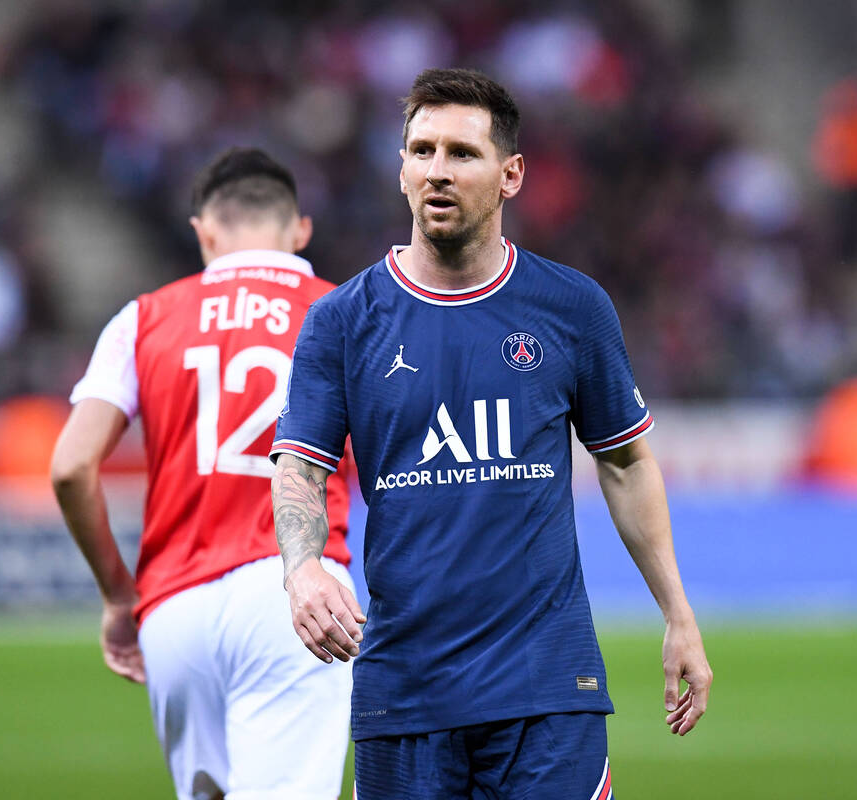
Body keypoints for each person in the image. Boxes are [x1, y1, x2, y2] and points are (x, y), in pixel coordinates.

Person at [270, 68, 712, 798]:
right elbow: (299, 468)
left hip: (548, 690)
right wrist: (302, 570)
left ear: (510, 175)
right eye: (421, 150)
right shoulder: (343, 321)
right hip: (404, 691)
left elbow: (628, 464)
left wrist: (679, 615)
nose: (436, 171)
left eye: (461, 154)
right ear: (401, 168)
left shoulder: (571, 308)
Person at [52, 147, 356, 800]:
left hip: (174, 607)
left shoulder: (144, 317)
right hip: (296, 593)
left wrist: (116, 595)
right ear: (300, 230)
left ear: (204, 231)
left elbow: (71, 467)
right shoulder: (346, 313)